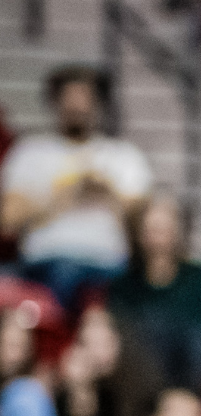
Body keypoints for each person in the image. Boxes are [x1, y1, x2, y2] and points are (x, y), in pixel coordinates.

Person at [0, 66, 152, 308]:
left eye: (85, 99)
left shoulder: (123, 156)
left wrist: (108, 195)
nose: (77, 107)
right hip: (47, 261)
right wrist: (64, 196)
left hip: (110, 264)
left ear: (99, 104)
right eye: (69, 99)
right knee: (63, 274)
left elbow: (147, 222)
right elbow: (7, 220)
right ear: (54, 103)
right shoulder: (30, 153)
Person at [106, 191, 201, 396]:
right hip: (138, 386)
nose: (157, 237)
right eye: (151, 229)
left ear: (178, 231)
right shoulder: (122, 286)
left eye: (163, 228)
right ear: (137, 231)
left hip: (193, 386)